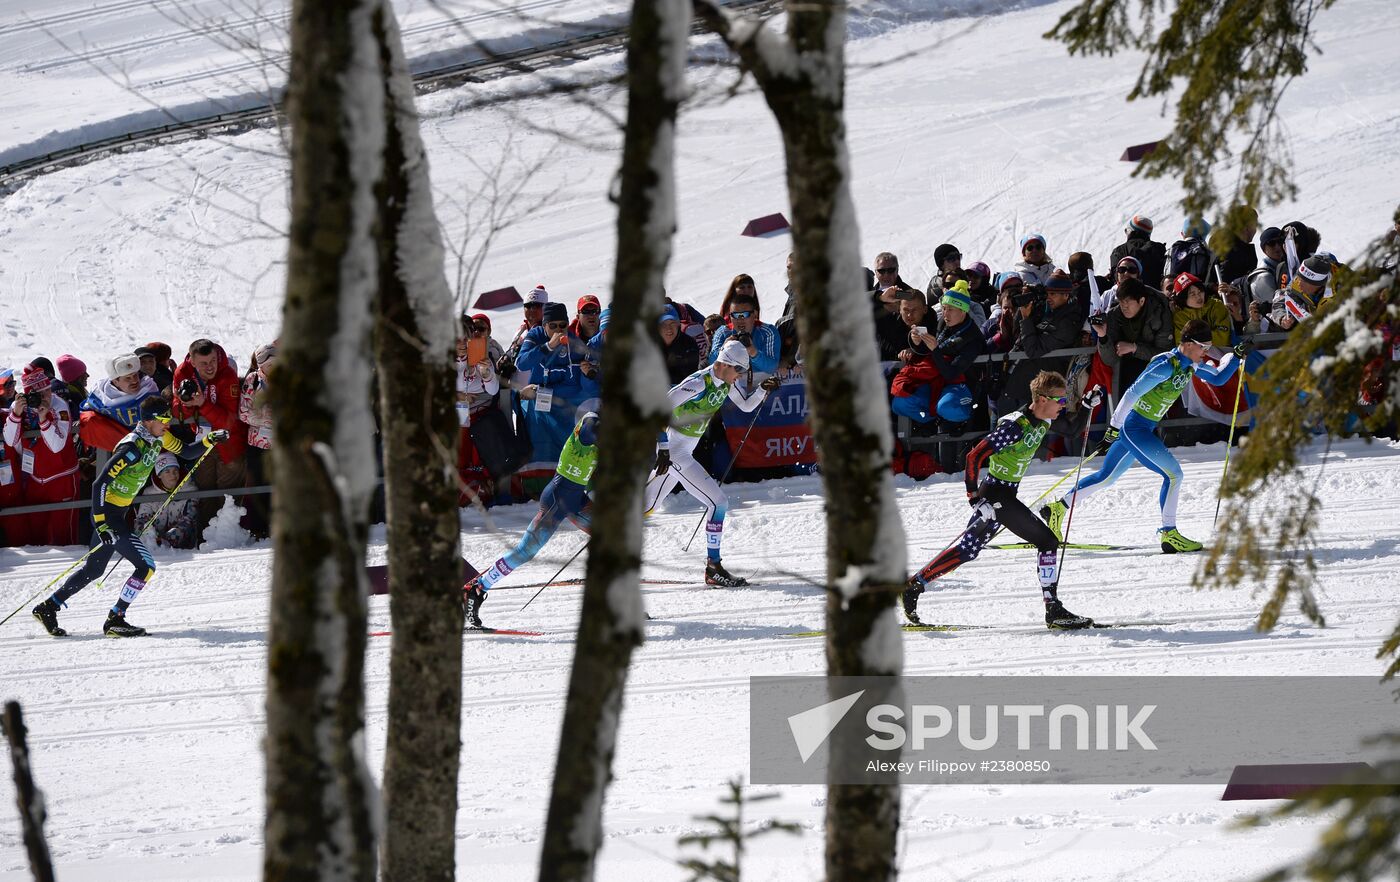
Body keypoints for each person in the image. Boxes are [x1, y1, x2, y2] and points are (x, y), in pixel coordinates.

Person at [904, 370, 1094, 630]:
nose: (1063, 406)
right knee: (1047, 540)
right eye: (1060, 401)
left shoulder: (1044, 420)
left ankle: (914, 585)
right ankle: (1053, 608)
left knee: (967, 550)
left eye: (1065, 401)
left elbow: (1072, 430)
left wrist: (1085, 406)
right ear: (1040, 399)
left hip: (1002, 494)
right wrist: (974, 499)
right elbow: (974, 456)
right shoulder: (1015, 427)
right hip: (996, 496)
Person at [1039, 320, 1247, 554]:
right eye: (1203, 347)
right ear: (1188, 344)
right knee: (1174, 474)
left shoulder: (1191, 365)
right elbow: (1132, 392)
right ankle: (1170, 533)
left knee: (1106, 477)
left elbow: (1218, 377)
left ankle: (1058, 508)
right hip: (1133, 427)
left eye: (1208, 347)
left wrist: (1236, 357)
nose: (1206, 352)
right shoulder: (1166, 364)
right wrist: (1114, 427)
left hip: (1143, 428)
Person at [31, 398, 226, 638]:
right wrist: (102, 523)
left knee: (93, 569)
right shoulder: (133, 447)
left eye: (168, 419)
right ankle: (116, 618)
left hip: (117, 512)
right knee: (146, 567)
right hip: (108, 514)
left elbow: (185, 451)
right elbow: (99, 484)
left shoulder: (158, 437)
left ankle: (48, 607)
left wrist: (208, 440)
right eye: (163, 420)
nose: (168, 423)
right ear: (148, 421)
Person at [644, 340, 777, 587]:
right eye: (738, 371)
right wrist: (662, 448)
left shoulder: (727, 383)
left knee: (646, 505)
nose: (738, 377)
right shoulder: (697, 383)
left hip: (682, 452)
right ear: (726, 365)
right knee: (718, 502)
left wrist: (763, 390)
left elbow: (747, 406)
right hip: (674, 452)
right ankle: (713, 568)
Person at [462, 410, 600, 630]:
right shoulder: (591, 422)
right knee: (524, 552)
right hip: (556, 500)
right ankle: (476, 589)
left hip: (576, 501)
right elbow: (593, 429)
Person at [171, 339, 248, 534]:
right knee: (205, 495)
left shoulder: (227, 373)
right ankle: (204, 540)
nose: (210, 367)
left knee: (228, 495)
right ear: (193, 362)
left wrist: (203, 404)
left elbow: (229, 420)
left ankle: (229, 537)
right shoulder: (183, 372)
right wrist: (186, 404)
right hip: (201, 442)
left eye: (213, 361)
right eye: (204, 363)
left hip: (229, 444)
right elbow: (177, 412)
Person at [3, 365, 81, 546]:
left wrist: (44, 418)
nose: (46, 396)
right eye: (40, 393)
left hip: (62, 477)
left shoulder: (59, 404)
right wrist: (16, 414)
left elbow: (56, 445)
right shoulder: (19, 405)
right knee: (36, 535)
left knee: (64, 536)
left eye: (47, 390)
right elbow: (10, 440)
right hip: (35, 478)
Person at [1170, 272, 1233, 347]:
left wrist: (1195, 339)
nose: (1198, 296)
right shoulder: (1180, 316)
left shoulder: (1216, 305)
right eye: (1192, 294)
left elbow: (1223, 338)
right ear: (1183, 299)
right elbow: (1183, 345)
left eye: (1200, 291)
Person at [1110, 215, 1167, 290]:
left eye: (1126, 231)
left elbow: (1115, 278)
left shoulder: (1119, 251)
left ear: (1130, 232)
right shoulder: (1159, 249)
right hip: (1153, 297)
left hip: (1125, 296)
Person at [660, 305, 702, 385]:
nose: (669, 328)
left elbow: (689, 377)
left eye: (672, 323)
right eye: (664, 324)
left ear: (678, 324)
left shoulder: (689, 344)